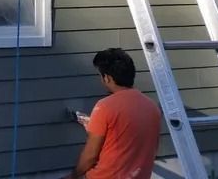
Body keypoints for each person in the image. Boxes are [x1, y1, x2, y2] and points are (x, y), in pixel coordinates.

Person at [64, 48, 162, 179]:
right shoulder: (152, 107)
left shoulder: (104, 106)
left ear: (107, 78)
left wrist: (73, 176)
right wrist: (95, 124)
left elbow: (90, 156)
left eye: (100, 75)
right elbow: (130, 135)